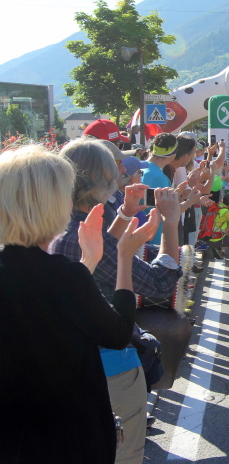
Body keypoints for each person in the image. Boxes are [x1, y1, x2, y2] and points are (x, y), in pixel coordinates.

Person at [0, 145, 156, 464]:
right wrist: (125, 256)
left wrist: (89, 262)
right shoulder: (65, 275)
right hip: (66, 434)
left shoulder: (54, 274)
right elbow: (117, 333)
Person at [50, 138, 184, 463]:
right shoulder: (78, 234)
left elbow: (98, 251)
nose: (123, 175)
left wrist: (124, 214)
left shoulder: (54, 226)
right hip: (109, 368)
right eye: (117, 171)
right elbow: (159, 283)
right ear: (103, 180)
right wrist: (171, 223)